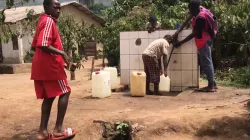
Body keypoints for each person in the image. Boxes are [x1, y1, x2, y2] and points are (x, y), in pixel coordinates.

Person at [31, 0, 76, 139]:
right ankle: (58, 129)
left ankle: (42, 132)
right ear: (46, 7)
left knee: (49, 97)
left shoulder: (42, 22)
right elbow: (43, 44)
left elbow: (35, 46)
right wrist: (62, 54)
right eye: (55, 7)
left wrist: (59, 61)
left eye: (59, 8)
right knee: (65, 91)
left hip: (40, 66)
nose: (58, 10)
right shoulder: (49, 21)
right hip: (49, 67)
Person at [173, 0, 217, 92]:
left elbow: (195, 33)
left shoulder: (201, 17)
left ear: (194, 9)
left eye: (191, 10)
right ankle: (212, 83)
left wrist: (180, 43)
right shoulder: (199, 10)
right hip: (206, 39)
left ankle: (211, 86)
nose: (190, 12)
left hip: (204, 40)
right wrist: (178, 32)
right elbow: (187, 20)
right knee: (208, 61)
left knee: (206, 62)